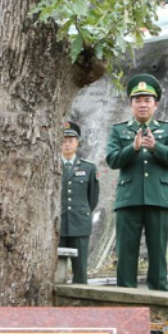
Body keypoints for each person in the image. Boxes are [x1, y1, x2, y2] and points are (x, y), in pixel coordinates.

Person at [106, 74, 168, 291]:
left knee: (158, 254)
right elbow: (112, 160)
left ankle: (159, 300)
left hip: (159, 199)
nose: (142, 105)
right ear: (131, 105)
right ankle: (126, 300)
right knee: (126, 253)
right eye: (137, 100)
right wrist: (133, 148)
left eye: (147, 100)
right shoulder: (119, 130)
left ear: (155, 105)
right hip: (129, 199)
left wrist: (156, 147)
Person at [59, 120, 100, 284]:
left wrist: (82, 213)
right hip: (57, 225)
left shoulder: (89, 168)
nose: (67, 144)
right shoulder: (50, 166)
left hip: (80, 224)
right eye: (63, 140)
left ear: (77, 142)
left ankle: (81, 299)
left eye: (71, 140)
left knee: (80, 271)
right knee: (55, 270)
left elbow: (92, 199)